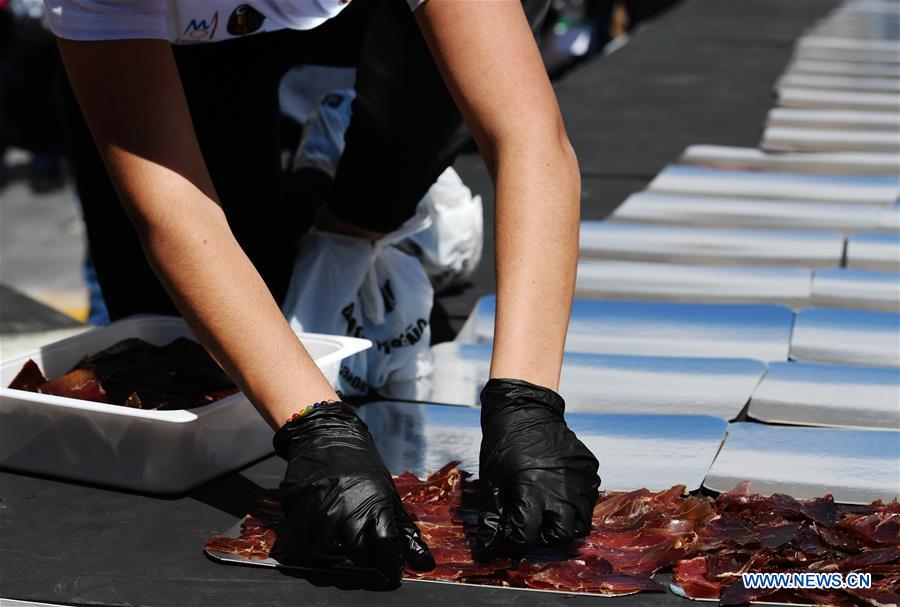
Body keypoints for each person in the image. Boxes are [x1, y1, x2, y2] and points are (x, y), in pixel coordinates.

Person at [46, 0, 601, 582]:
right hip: (184, 48)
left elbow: (526, 136)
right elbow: (174, 212)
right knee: (183, 362)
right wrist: (315, 423)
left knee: (392, 162)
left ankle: (348, 220)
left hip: (382, 24)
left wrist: (526, 397)